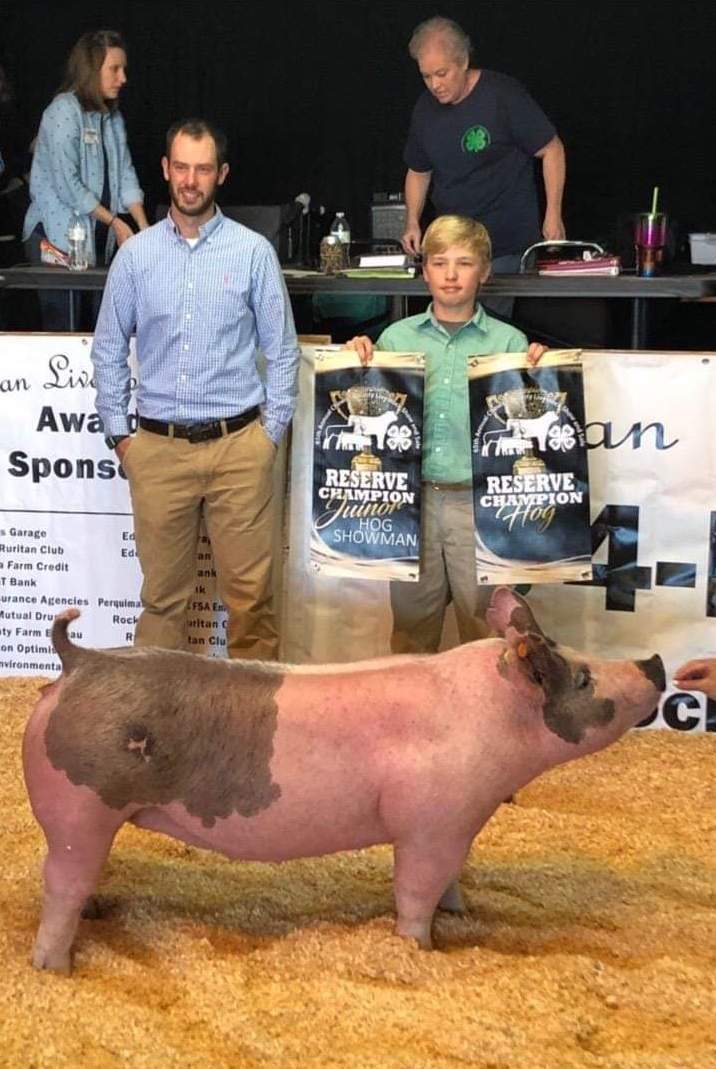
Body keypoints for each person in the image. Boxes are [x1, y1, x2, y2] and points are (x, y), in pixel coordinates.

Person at [91, 118, 300, 660]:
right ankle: (158, 729)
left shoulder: (253, 252)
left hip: (240, 449)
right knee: (162, 601)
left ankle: (255, 731)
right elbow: (108, 351)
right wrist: (122, 438)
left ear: (221, 174)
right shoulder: (134, 257)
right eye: (180, 166)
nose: (190, 179)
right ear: (165, 170)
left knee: (252, 601)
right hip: (157, 450)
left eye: (202, 168)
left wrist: (268, 437)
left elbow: (282, 351)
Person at [347, 214, 545, 654]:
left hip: (479, 504)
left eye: (464, 263)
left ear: (486, 272)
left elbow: (534, 429)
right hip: (410, 502)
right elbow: (361, 409)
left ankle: (485, 723)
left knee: (487, 633)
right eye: (439, 262)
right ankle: (411, 723)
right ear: (425, 271)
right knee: (410, 631)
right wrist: (353, 362)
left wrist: (545, 376)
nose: (451, 275)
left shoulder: (511, 343)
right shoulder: (394, 339)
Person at [401, 16, 565, 314]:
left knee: (489, 331)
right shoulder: (424, 108)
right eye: (426, 76)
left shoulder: (503, 94)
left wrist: (553, 214)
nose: (434, 85)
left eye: (441, 73)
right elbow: (418, 170)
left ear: (463, 61)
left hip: (503, 245)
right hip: (450, 248)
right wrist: (412, 220)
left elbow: (551, 150)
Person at [23, 29, 149, 329]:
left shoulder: (112, 118)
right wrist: (116, 222)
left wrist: (144, 230)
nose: (123, 78)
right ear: (92, 70)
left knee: (97, 328)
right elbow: (69, 186)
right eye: (115, 69)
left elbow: (126, 175)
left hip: (94, 243)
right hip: (55, 240)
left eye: (124, 69)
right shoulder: (62, 112)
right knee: (64, 329)